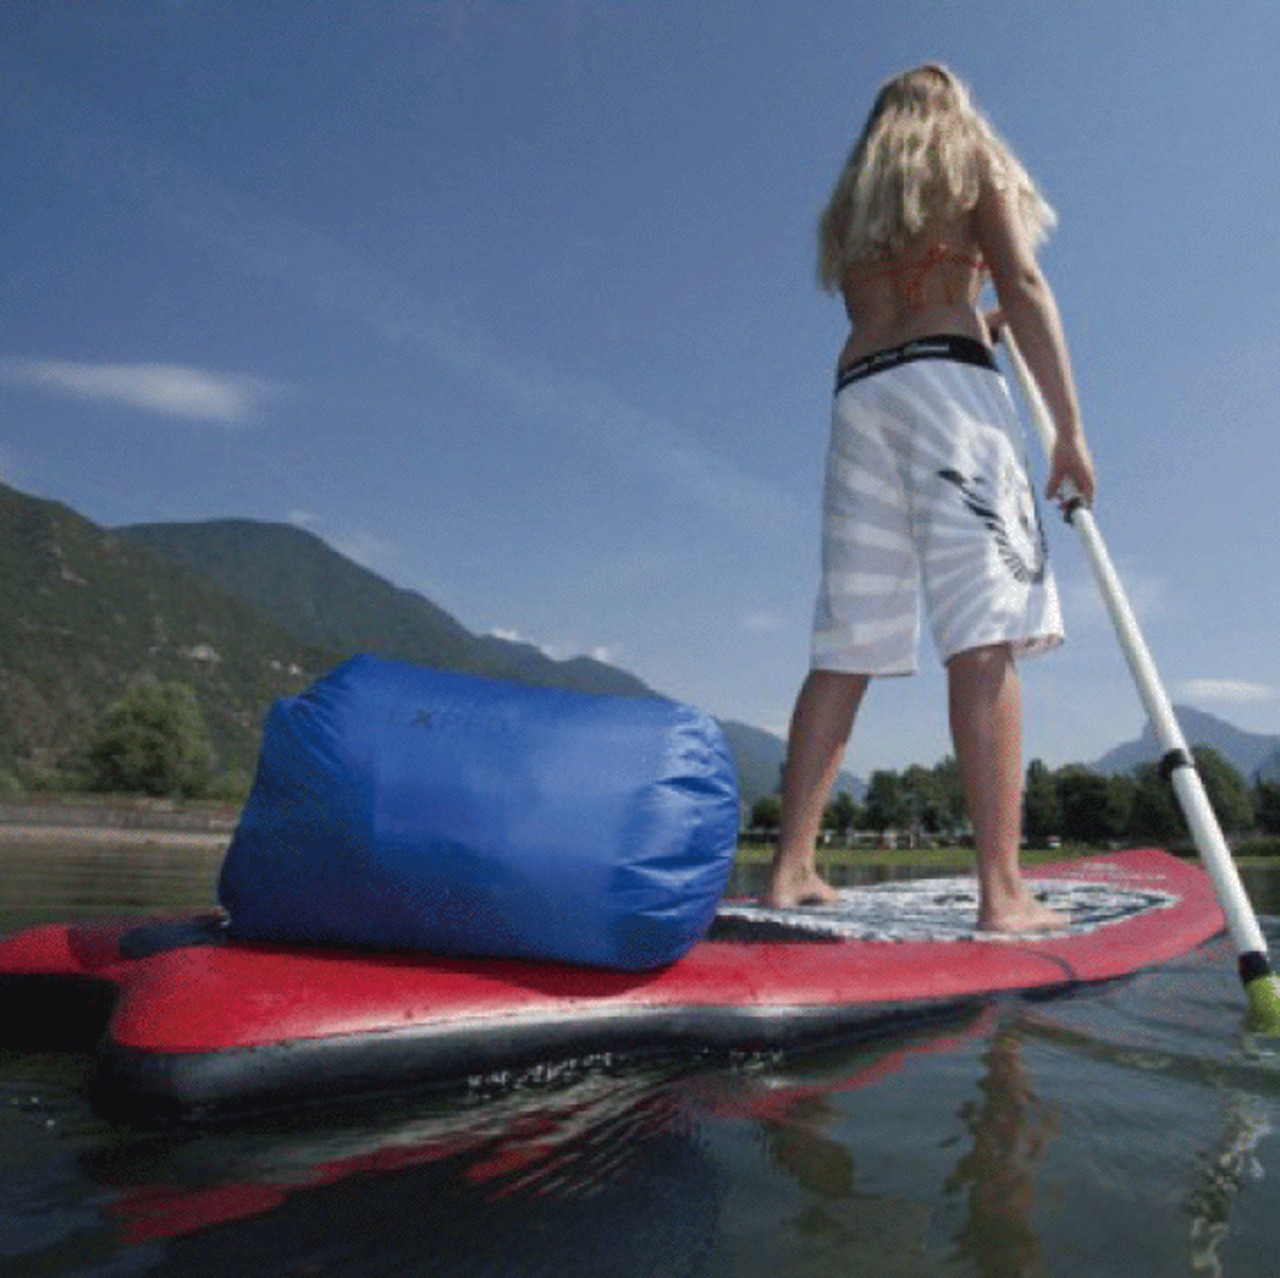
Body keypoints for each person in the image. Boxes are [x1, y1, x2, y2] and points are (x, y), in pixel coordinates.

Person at [764, 64, 1095, 932]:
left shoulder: (854, 205)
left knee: (846, 641)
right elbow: (1023, 284)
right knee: (985, 631)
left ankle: (790, 869)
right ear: (952, 107)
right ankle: (1004, 893)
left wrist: (973, 319)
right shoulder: (969, 159)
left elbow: (907, 308)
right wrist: (1069, 430)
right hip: (948, 394)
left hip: (862, 396)